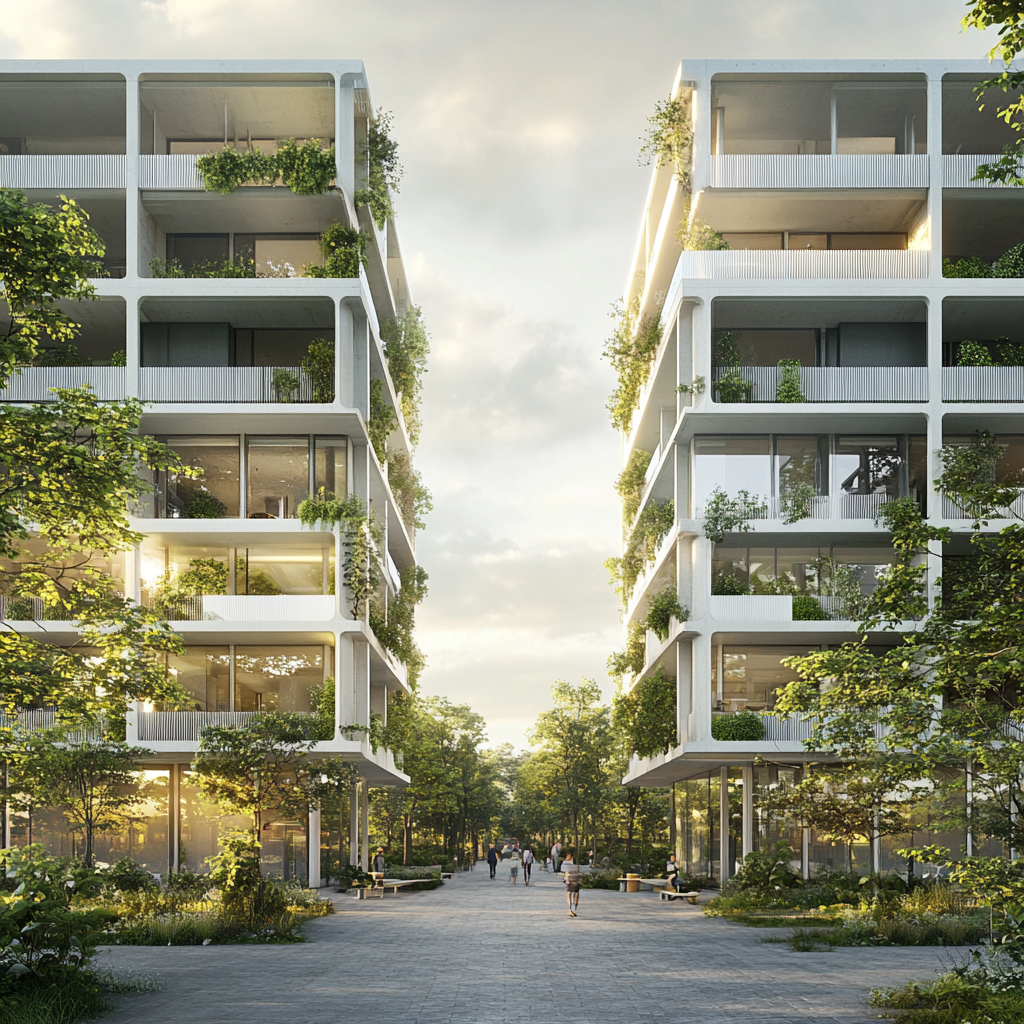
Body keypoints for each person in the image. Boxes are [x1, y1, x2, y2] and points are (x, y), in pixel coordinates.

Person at [561, 850, 580, 916]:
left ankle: (571, 909)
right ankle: (573, 909)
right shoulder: (575, 862)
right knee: (575, 893)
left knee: (570, 893)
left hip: (571, 880)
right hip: (575, 880)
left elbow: (564, 870)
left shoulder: (567, 862)